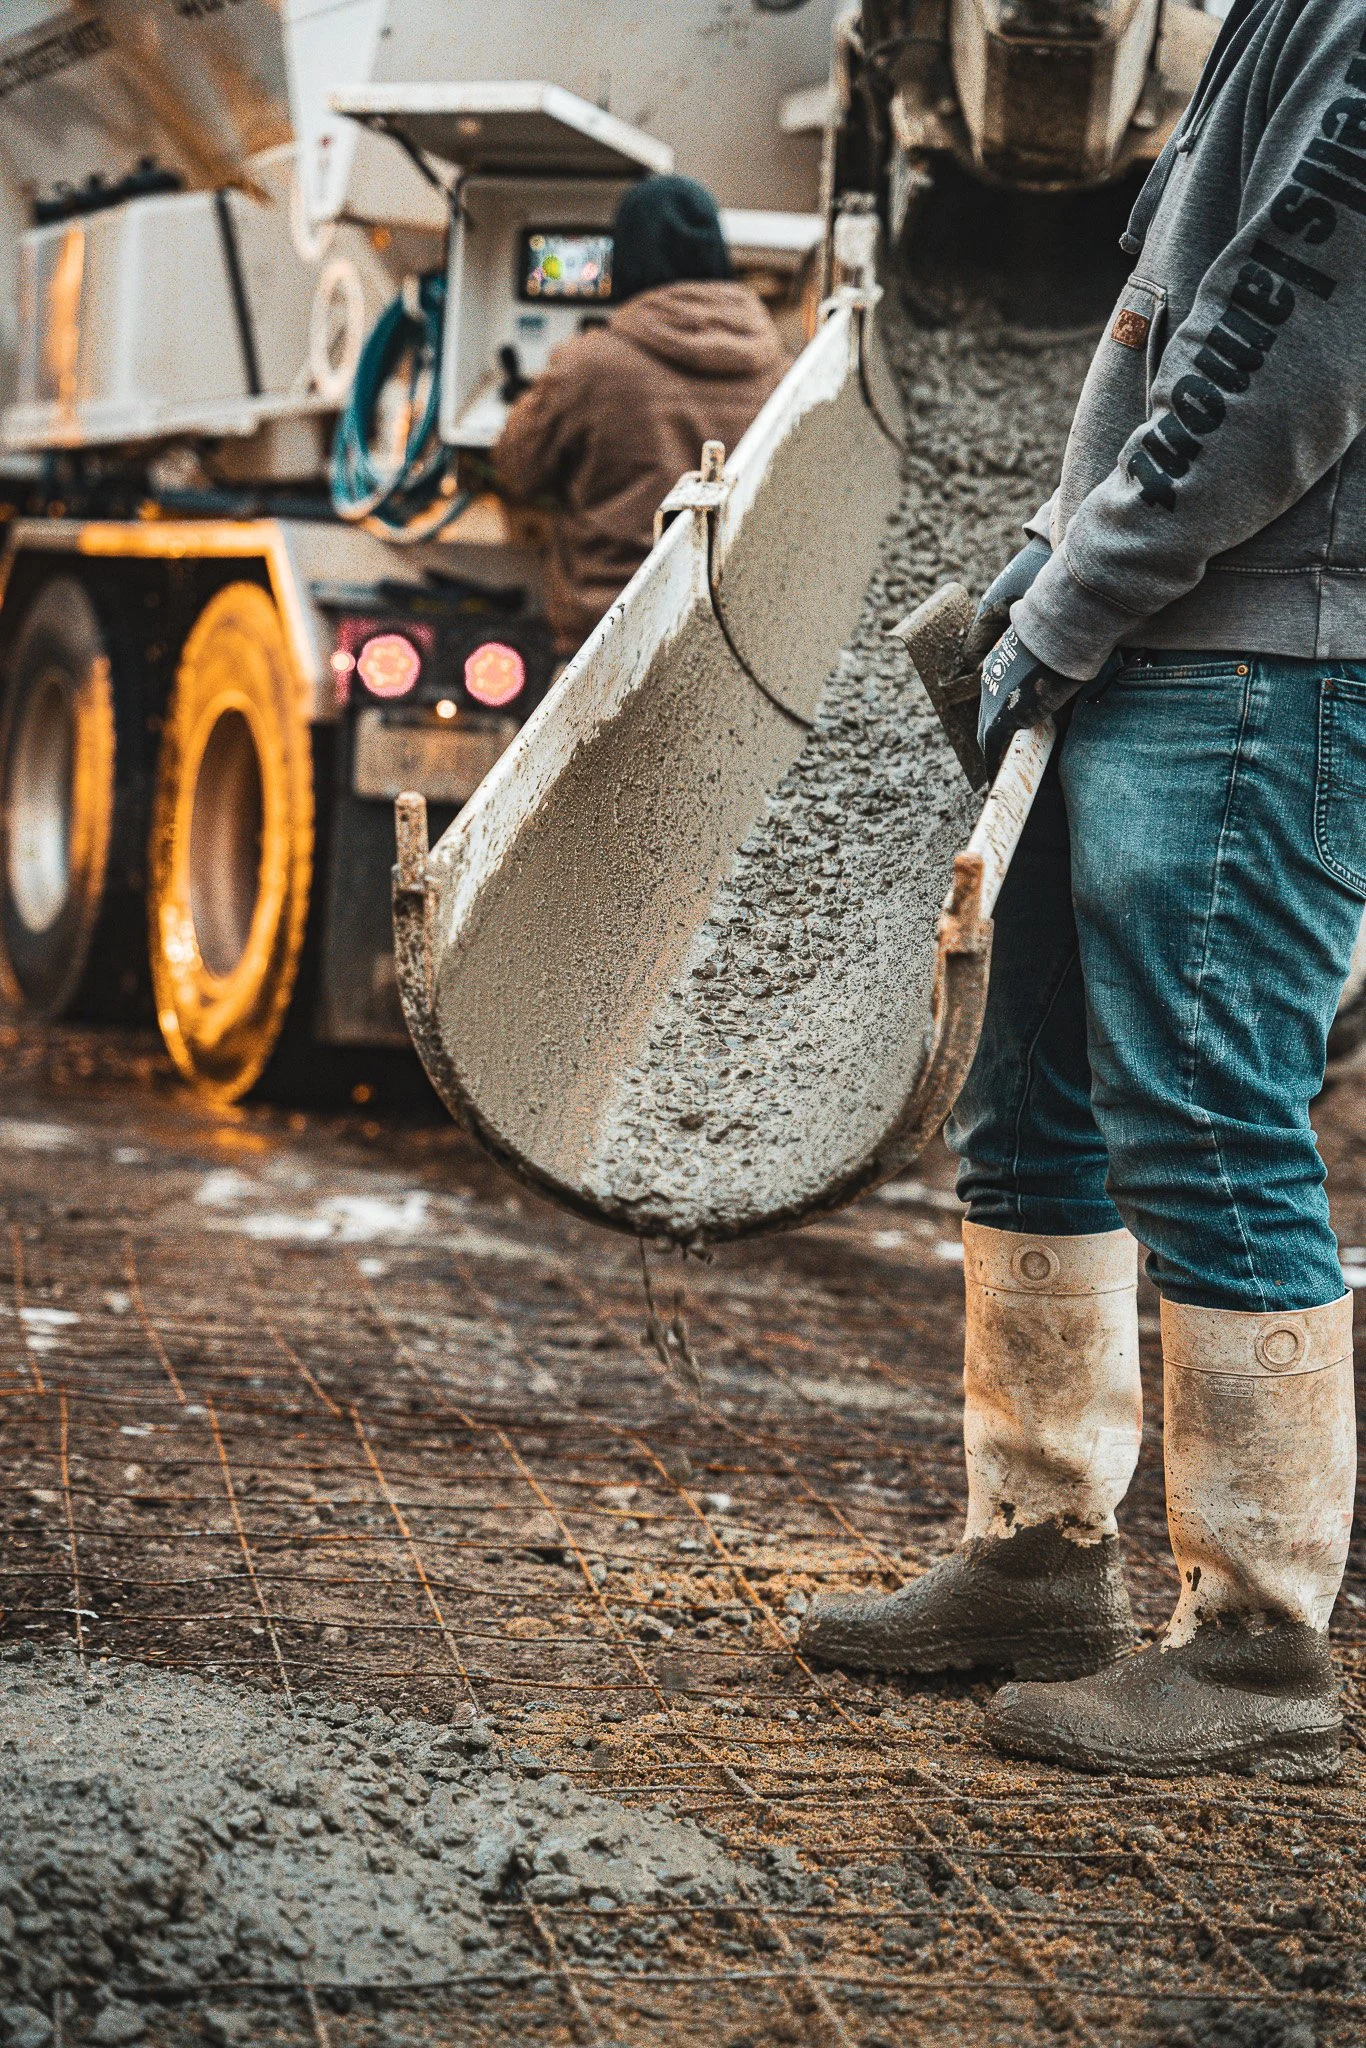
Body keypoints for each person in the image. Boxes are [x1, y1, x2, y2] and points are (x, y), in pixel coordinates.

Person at [802, 0, 1363, 1779]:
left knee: (1203, 1108)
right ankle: (1038, 1553)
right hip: (1142, 630)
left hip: (1259, 653)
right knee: (1030, 1102)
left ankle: (1260, 1639)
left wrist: (1063, 599)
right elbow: (1162, 336)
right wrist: (1046, 562)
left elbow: (1277, 355)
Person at [492, 175, 786, 658]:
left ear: (626, 259)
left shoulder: (590, 364)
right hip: (729, 640)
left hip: (605, 644)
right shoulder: (777, 366)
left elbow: (516, 468)